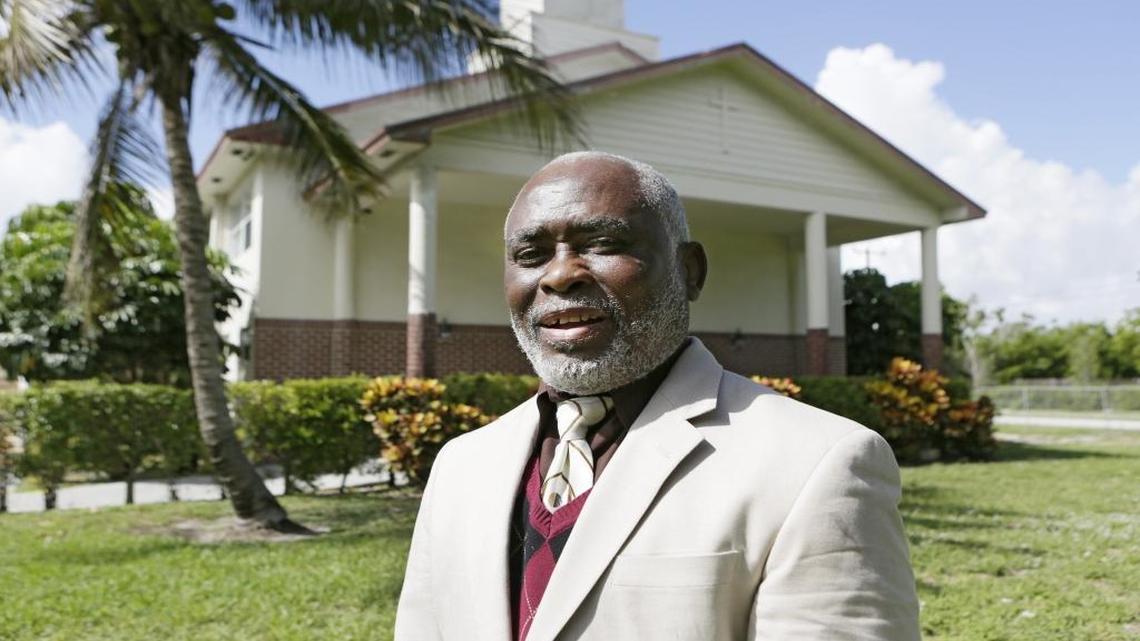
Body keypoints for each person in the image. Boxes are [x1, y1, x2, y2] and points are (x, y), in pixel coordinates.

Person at [394, 151, 921, 641]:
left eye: (602, 244)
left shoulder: (819, 463)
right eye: (530, 254)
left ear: (689, 271)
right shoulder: (460, 465)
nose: (559, 275)